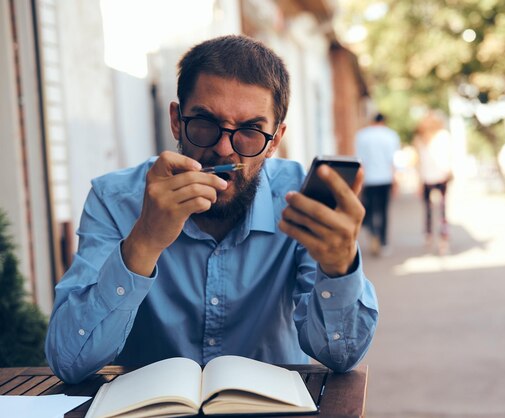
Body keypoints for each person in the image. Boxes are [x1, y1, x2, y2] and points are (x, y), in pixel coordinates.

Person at [45, 35, 379, 384]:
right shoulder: (114, 200)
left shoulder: (299, 201)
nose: (223, 149)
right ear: (177, 120)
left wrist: (340, 267)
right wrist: (143, 242)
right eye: (205, 123)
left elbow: (340, 357)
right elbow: (70, 361)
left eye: (250, 131)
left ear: (275, 141)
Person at [355, 113, 400, 256]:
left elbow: (359, 160)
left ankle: (373, 231)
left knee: (370, 208)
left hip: (369, 179)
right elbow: (393, 160)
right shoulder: (391, 135)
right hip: (385, 178)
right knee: (384, 210)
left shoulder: (362, 135)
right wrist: (395, 180)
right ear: (384, 121)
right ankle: (383, 241)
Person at [413, 110, 454, 254]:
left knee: (428, 210)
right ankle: (443, 240)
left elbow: (418, 163)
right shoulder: (444, 136)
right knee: (442, 210)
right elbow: (448, 157)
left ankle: (429, 237)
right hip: (441, 177)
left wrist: (418, 181)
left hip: (426, 178)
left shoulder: (420, 139)